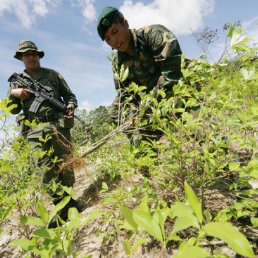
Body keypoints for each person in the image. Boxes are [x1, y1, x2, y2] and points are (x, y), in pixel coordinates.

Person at [6, 40, 84, 227]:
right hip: (33, 131)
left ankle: (69, 202)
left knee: (66, 165)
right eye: (27, 55)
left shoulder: (53, 75)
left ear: (38, 56)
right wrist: (14, 94)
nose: (31, 57)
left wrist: (71, 105)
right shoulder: (16, 82)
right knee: (45, 171)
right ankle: (60, 205)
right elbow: (13, 110)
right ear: (21, 58)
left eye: (34, 54)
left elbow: (70, 96)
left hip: (58, 125)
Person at [97, 6, 185, 146]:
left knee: (202, 129)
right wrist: (133, 115)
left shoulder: (153, 34)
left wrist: (147, 108)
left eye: (115, 32)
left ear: (125, 23)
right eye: (108, 39)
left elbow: (172, 74)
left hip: (177, 89)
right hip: (147, 104)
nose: (114, 40)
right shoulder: (117, 64)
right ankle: (142, 141)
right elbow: (125, 94)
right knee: (116, 112)